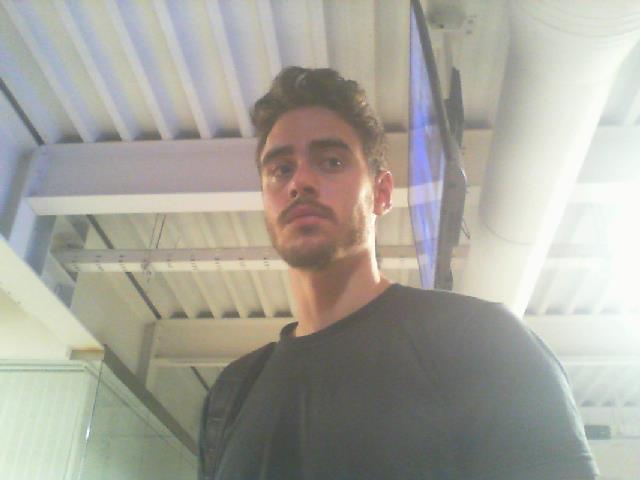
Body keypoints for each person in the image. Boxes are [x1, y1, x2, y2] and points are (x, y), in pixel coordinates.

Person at [199, 67, 598, 480]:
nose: (300, 181)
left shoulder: (480, 341)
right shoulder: (231, 394)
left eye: (332, 161)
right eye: (281, 169)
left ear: (382, 193)